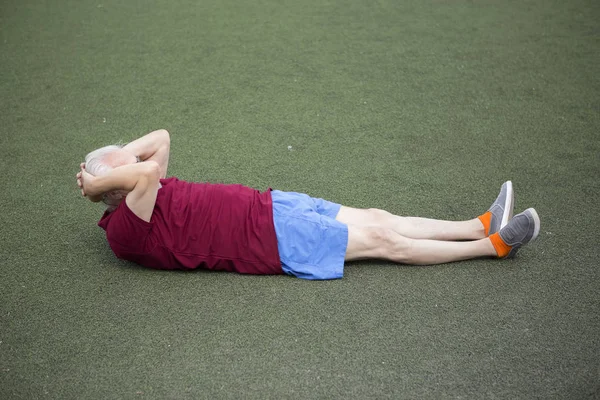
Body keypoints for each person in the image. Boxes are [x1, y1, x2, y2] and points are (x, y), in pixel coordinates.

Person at [76, 129, 540, 280]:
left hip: (270, 205)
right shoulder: (125, 230)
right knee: (383, 240)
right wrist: (98, 185)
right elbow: (149, 170)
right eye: (125, 165)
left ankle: (478, 225)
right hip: (269, 241)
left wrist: (113, 166)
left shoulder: (137, 189)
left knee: (379, 217)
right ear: (112, 191)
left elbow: (161, 138)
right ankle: (494, 247)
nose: (137, 159)